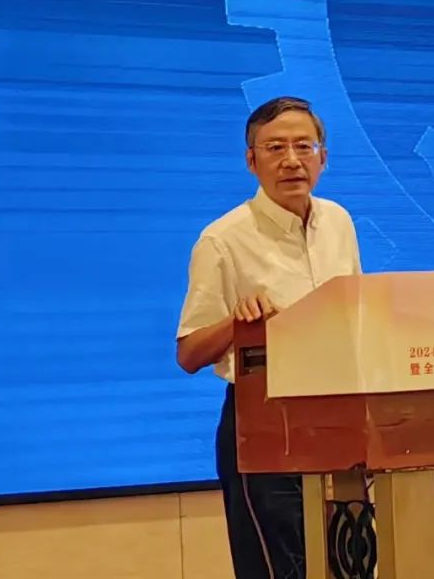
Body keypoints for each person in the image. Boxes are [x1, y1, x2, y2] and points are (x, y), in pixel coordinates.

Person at [175, 96, 362, 579]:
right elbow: (189, 353)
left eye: (304, 146)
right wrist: (237, 325)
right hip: (262, 421)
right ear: (251, 160)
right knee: (279, 568)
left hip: (338, 415)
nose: (292, 160)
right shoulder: (222, 239)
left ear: (323, 156)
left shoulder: (339, 222)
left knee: (349, 559)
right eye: (275, 148)